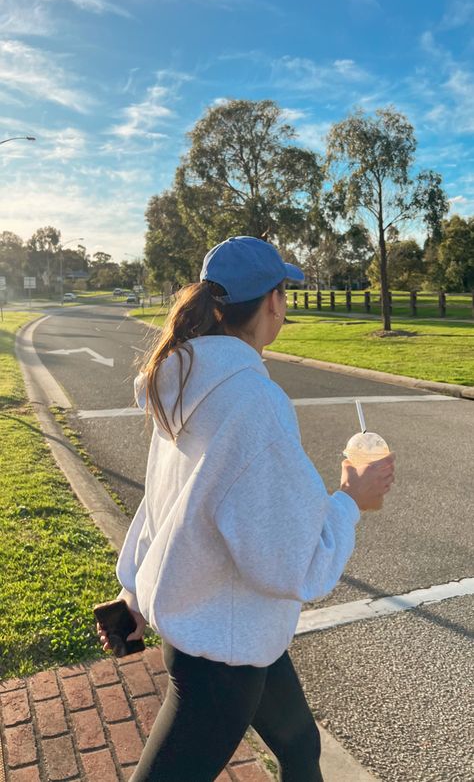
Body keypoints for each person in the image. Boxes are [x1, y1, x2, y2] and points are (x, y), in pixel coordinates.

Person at [97, 236, 395, 782]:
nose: (284, 307)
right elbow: (294, 563)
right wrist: (352, 498)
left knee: (302, 746)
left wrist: (133, 593)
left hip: (238, 633)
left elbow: (167, 504)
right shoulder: (253, 403)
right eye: (283, 294)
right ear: (273, 302)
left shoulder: (183, 380)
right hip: (222, 658)